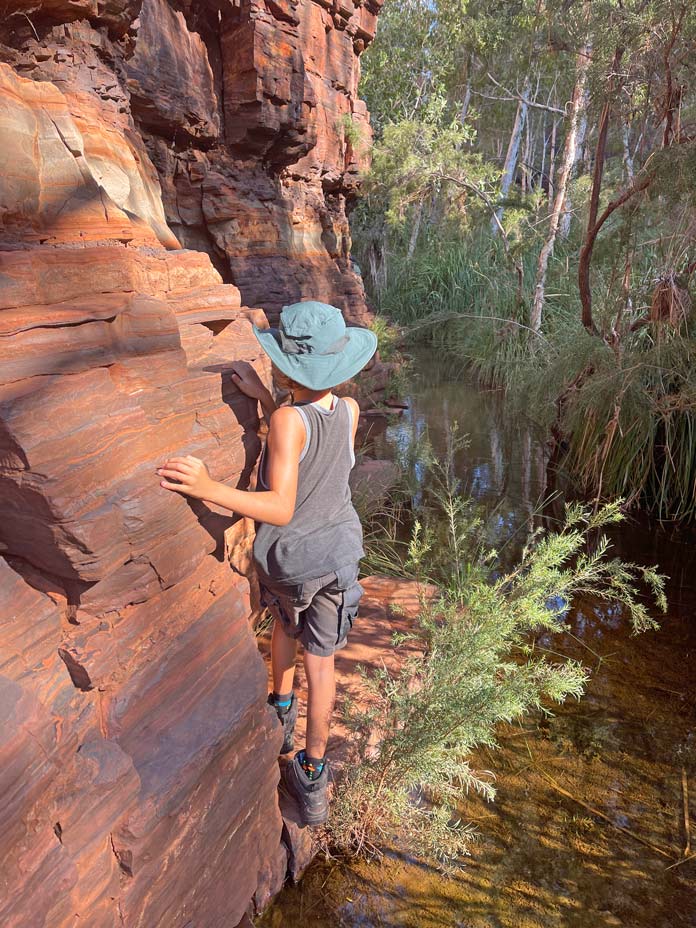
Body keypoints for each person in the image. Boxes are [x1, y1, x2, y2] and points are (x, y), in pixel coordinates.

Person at [158, 300, 378, 826]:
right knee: (321, 663)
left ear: (285, 366)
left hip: (293, 560)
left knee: (283, 621)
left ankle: (281, 710)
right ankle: (313, 775)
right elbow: (319, 455)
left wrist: (210, 488)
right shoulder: (347, 409)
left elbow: (281, 506)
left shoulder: (285, 419)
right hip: (341, 555)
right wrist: (267, 401)